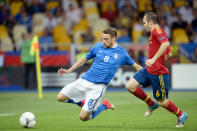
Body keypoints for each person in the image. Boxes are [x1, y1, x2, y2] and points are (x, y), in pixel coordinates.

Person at [56, 27, 143, 121]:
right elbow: (84, 60)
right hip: (84, 80)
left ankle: (104, 106)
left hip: (97, 88)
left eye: (106, 39)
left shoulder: (122, 53)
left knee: (83, 117)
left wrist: (148, 75)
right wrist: (69, 70)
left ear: (114, 39)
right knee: (60, 97)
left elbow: (136, 66)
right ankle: (81, 102)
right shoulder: (98, 47)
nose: (103, 41)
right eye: (102, 38)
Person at [126, 12, 188, 128]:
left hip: (158, 73)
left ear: (150, 22)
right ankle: (151, 103)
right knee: (130, 86)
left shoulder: (157, 31)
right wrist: (160, 56)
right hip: (148, 70)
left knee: (161, 102)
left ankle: (181, 114)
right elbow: (169, 53)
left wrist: (154, 59)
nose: (143, 25)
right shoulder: (154, 34)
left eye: (144, 23)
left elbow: (165, 44)